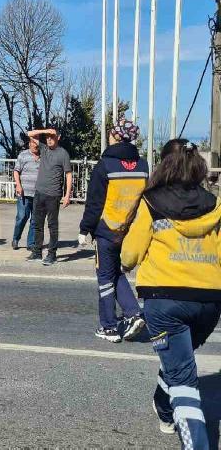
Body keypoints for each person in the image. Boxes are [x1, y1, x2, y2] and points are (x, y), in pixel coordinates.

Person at [121, 139, 221, 447]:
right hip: (209, 301)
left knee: (183, 381)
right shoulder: (214, 203)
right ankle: (164, 410)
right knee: (179, 359)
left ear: (164, 164)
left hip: (165, 300)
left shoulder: (151, 202)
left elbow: (129, 256)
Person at [79, 119, 148, 343]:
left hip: (106, 230)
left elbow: (95, 203)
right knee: (116, 272)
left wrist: (84, 229)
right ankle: (133, 313)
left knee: (105, 277)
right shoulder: (143, 166)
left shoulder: (105, 165)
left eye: (110, 133)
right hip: (128, 229)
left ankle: (108, 327)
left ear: (116, 137)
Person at [25, 127, 72, 265]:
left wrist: (67, 195)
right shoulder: (44, 149)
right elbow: (30, 134)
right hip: (39, 193)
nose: (49, 139)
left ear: (59, 137)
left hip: (53, 195)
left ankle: (52, 254)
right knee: (37, 224)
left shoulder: (63, 154)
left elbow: (68, 174)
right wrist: (47, 130)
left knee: (52, 226)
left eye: (52, 136)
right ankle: (37, 252)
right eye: (47, 137)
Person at [12, 137, 41, 250]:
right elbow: (16, 171)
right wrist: (18, 185)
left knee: (35, 219)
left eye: (37, 143)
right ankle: (16, 238)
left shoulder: (43, 156)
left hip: (38, 194)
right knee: (22, 217)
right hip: (24, 192)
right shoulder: (23, 155)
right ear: (29, 144)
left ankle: (31, 243)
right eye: (33, 143)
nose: (35, 145)